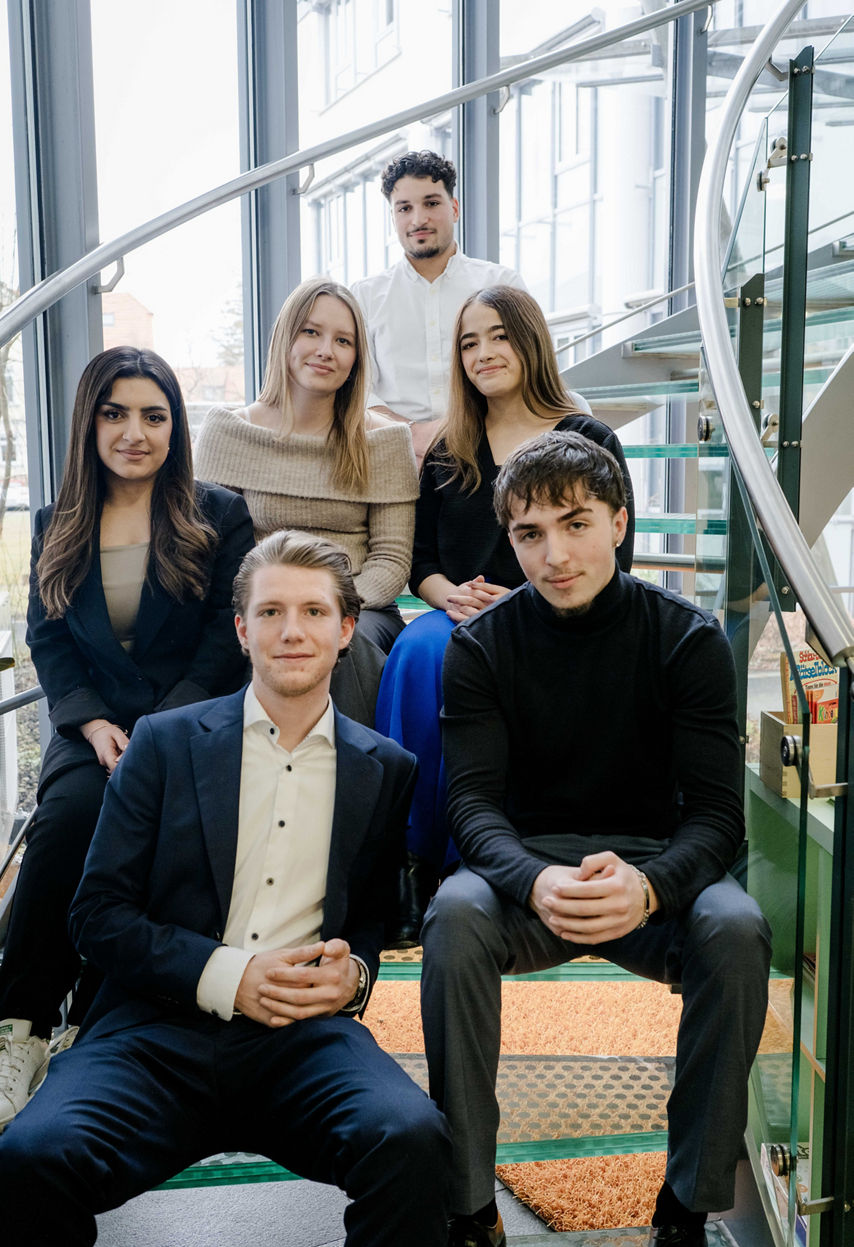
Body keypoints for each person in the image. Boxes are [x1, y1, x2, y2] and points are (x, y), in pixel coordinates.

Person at [0, 530, 451, 1247]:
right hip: (153, 1031)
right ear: (241, 630)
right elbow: (96, 916)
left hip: (303, 1041)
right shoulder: (163, 744)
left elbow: (367, 922)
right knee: (28, 1159)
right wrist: (228, 975)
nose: (292, 630)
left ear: (347, 629)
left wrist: (356, 979)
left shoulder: (386, 768)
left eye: (313, 612)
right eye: (270, 612)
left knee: (413, 1141)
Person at [420, 432, 772, 1247]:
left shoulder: (687, 638)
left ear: (619, 523)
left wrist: (650, 888)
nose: (555, 554)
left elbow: (719, 817)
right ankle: (469, 1215)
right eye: (530, 533)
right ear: (511, 541)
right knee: (454, 919)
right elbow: (471, 806)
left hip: (656, 869)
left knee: (737, 928)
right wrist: (535, 879)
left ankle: (684, 1217)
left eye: (575, 524)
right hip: (526, 874)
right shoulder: (479, 645)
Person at [0, 347, 255, 1131]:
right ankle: (21, 1026)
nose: (134, 432)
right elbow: (49, 637)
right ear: (90, 422)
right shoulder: (57, 523)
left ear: (176, 427)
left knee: (152, 829)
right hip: (95, 725)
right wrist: (91, 722)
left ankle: (96, 1015)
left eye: (153, 415)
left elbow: (224, 640)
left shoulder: (220, 515)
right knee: (71, 815)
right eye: (115, 414)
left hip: (191, 723)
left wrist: (157, 731)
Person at [375, 286, 635, 943]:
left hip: (559, 616)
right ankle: (409, 862)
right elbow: (420, 561)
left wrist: (525, 601)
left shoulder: (586, 437)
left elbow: (615, 560)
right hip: (460, 614)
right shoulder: (449, 447)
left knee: (469, 652)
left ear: (530, 343)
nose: (484, 353)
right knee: (419, 651)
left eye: (499, 336)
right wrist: (450, 597)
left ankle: (474, 862)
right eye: (469, 342)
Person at [195, 279, 419, 722]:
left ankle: (348, 765)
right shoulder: (230, 432)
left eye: (343, 341)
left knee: (338, 643)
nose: (325, 350)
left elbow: (391, 560)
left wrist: (324, 610)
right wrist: (273, 608)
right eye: (311, 332)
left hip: (359, 606)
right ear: (286, 338)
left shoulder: (385, 441)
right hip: (258, 601)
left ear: (357, 358)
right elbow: (207, 550)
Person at [350, 150, 526, 464]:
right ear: (393, 217)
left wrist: (461, 429)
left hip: (490, 448)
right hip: (395, 454)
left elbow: (528, 368)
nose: (418, 219)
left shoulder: (501, 284)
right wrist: (413, 432)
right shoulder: (365, 296)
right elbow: (359, 390)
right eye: (405, 208)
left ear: (454, 208)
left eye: (431, 203)